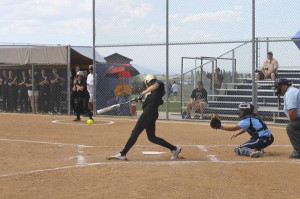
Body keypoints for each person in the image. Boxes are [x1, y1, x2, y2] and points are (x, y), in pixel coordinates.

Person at [108, 74, 181, 160]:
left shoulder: (158, 83)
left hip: (149, 113)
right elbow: (147, 103)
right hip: (150, 113)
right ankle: (174, 149)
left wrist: (142, 93)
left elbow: (155, 85)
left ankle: (123, 153)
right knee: (152, 137)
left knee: (135, 132)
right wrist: (140, 101)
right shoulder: (153, 93)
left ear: (148, 81)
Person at [275, 79, 300, 159]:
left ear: (285, 86)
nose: (277, 88)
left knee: (291, 127)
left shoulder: (290, 92)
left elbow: (292, 111)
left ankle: (298, 151)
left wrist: (292, 122)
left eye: (279, 86)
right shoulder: (293, 91)